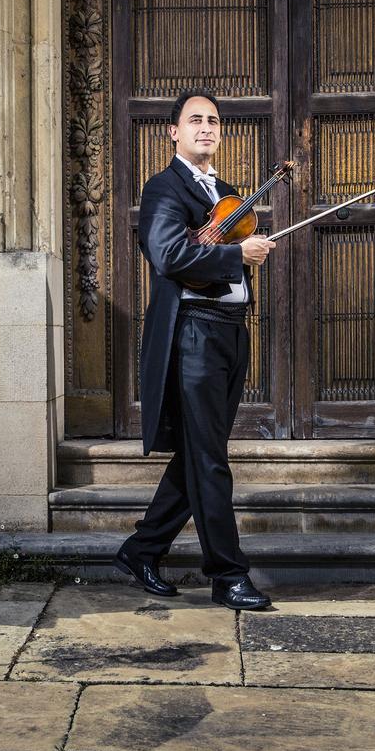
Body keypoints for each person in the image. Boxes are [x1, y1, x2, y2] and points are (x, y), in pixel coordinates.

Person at [113, 88, 276, 610]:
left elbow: (223, 249)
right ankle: (228, 575)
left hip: (230, 330)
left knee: (195, 455)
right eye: (195, 120)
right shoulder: (163, 188)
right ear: (174, 132)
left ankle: (142, 549)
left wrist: (244, 251)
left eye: (213, 121)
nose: (206, 128)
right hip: (193, 334)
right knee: (209, 458)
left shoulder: (228, 192)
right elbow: (169, 253)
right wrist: (235, 254)